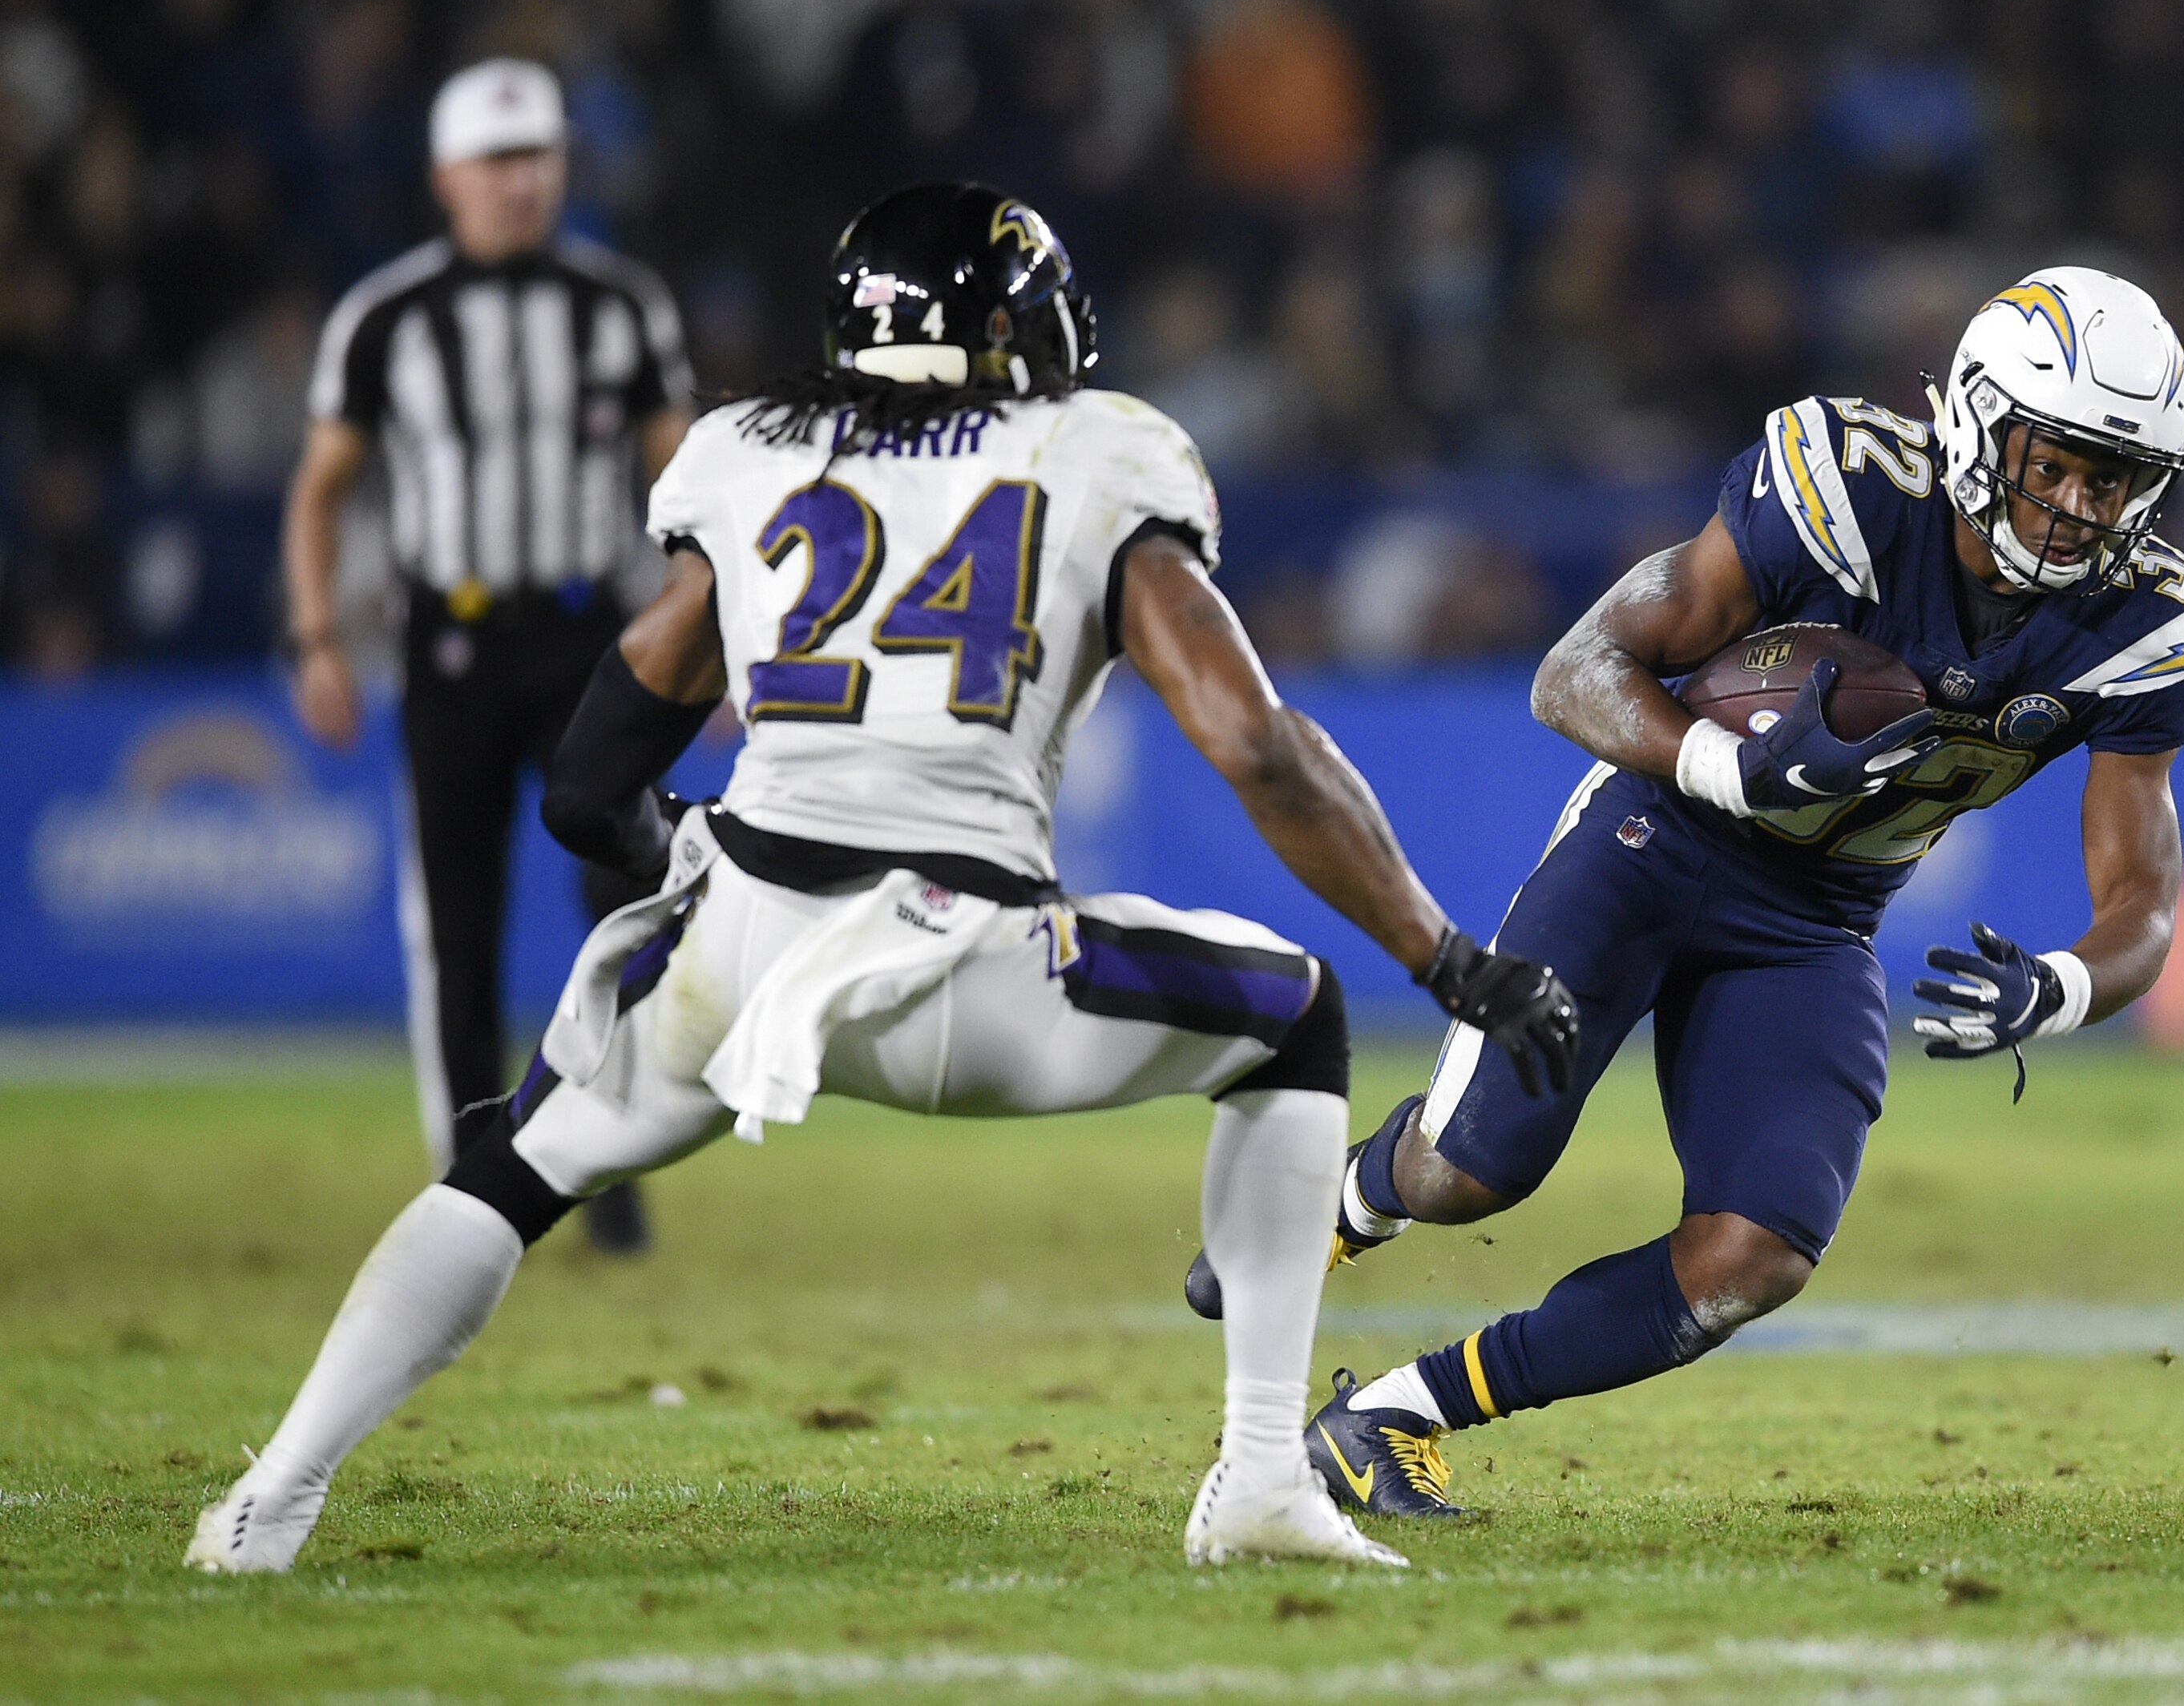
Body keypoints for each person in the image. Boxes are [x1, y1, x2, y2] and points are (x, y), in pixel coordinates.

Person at [188, 183, 1580, 1574]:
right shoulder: (1099, 454)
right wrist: (1446, 958)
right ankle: (1262, 1472)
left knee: (509, 1168)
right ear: (1010, 330)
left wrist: (678, 857)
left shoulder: (751, 450)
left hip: (739, 945)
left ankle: (269, 1501)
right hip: (967, 966)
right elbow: (1256, 747)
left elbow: (586, 786)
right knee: (1298, 1016)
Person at [1186, 268, 2184, 1516]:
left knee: (1755, 1253)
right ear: (1972, 424)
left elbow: (2142, 903)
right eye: (2050, 464)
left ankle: (1390, 1417)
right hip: (1657, 836)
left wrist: (2056, 988)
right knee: (1469, 1171)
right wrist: (1725, 766)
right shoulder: (1845, 490)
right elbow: (1574, 671)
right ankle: (1327, 1208)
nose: (2072, 508)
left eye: (2109, 481)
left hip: (1819, 916)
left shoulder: (2147, 624)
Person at [283, 58, 693, 1253]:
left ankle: (608, 1158)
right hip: (451, 644)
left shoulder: (621, 304)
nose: (523, 181)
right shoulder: (388, 316)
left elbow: (688, 477)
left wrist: (709, 626)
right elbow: (321, 487)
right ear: (446, 176)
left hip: (588, 637)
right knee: (457, 931)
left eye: (540, 156)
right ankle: (474, 1185)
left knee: (627, 897)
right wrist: (316, 636)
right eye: (498, 160)